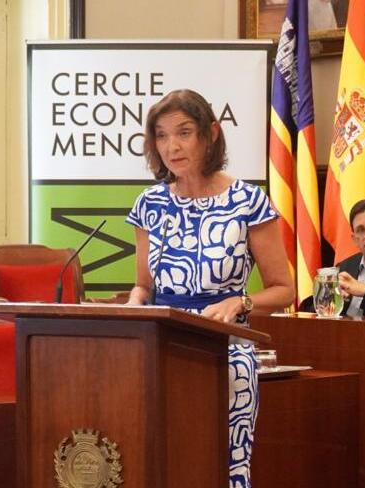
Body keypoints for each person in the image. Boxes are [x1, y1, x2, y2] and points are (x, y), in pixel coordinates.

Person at [124, 89, 294, 488]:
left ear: (210, 134)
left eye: (184, 132)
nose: (172, 146)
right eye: (162, 136)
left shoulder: (247, 201)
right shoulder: (150, 205)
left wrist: (239, 301)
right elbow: (142, 286)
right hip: (158, 348)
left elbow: (285, 289)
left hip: (225, 351)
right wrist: (133, 305)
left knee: (220, 467)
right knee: (156, 463)